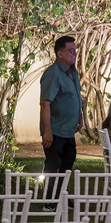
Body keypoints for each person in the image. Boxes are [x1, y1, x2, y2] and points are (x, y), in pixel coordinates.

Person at [39, 35, 83, 189]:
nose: (74, 53)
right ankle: (50, 197)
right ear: (60, 53)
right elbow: (45, 104)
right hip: (56, 130)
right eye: (70, 51)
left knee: (67, 164)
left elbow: (76, 96)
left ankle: (61, 195)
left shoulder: (73, 72)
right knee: (53, 166)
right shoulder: (53, 73)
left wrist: (80, 116)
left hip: (69, 131)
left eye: (75, 50)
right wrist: (47, 132)